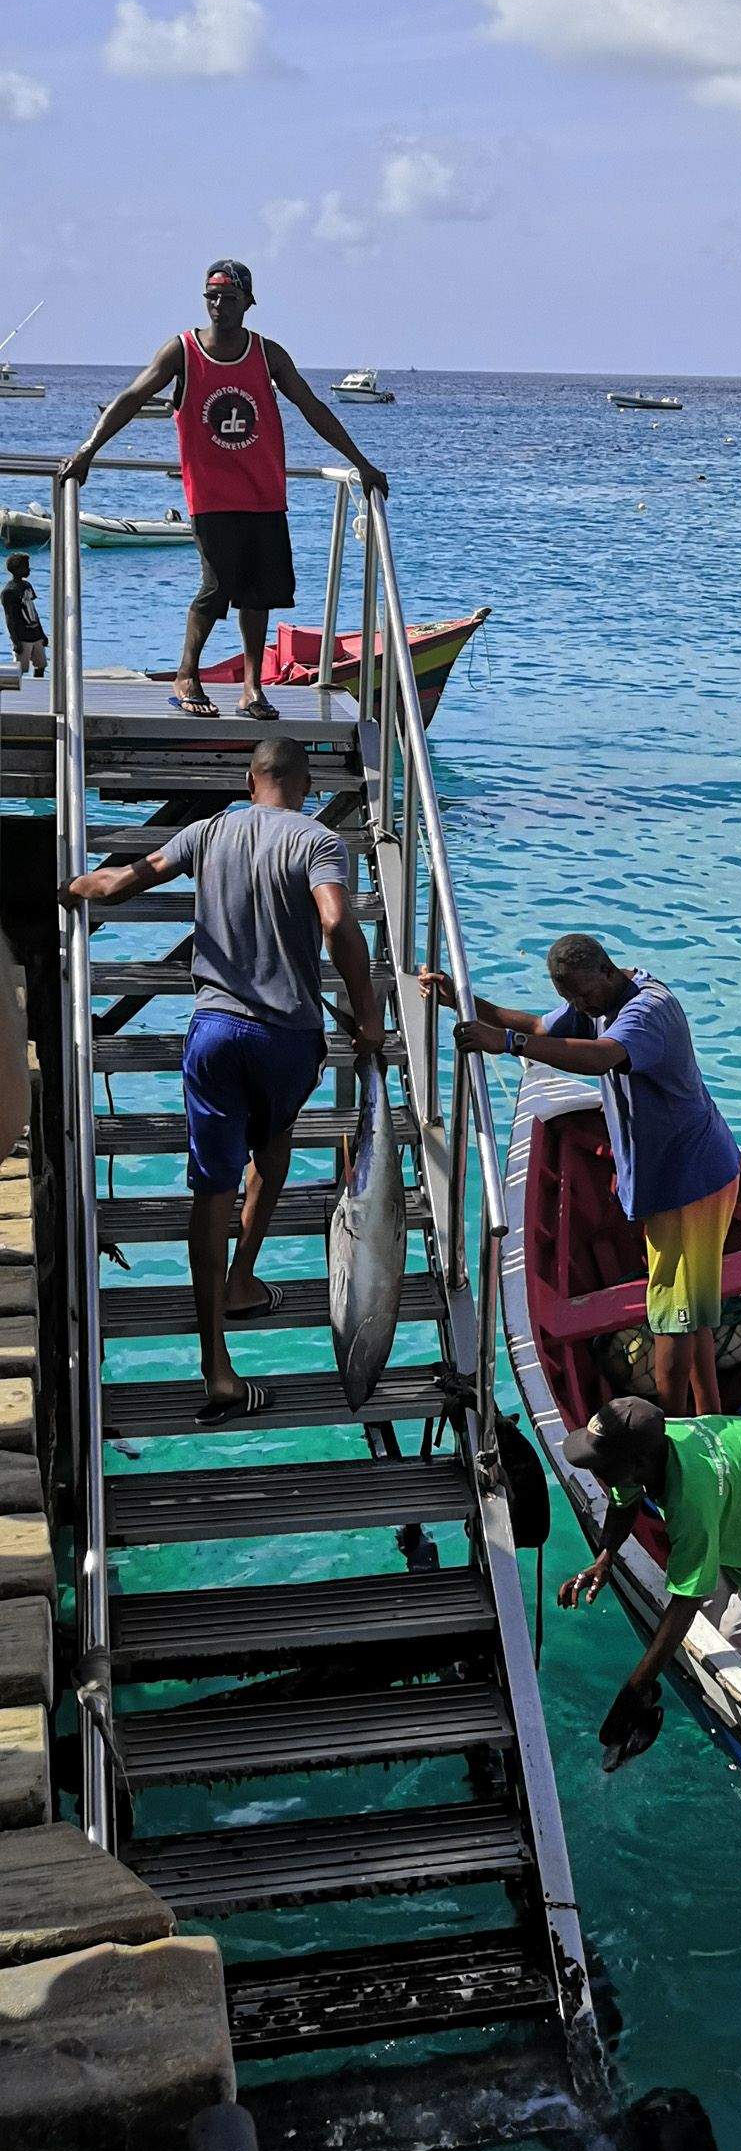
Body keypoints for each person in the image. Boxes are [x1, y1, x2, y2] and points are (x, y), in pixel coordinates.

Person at [61, 734, 383, 1414]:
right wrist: (369, 1013)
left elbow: (121, 880)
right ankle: (242, 1277)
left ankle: (216, 1365)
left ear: (249, 778)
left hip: (213, 1033)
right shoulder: (318, 841)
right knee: (274, 1146)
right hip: (286, 1038)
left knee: (210, 1191)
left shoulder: (208, 830)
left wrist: (71, 888)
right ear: (307, 785)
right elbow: (335, 922)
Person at [62, 258, 388, 724]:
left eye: (229, 298)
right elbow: (132, 398)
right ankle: (186, 675)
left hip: (264, 494)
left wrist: (363, 464)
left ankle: (252, 685)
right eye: (211, 297)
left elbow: (312, 407)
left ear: (249, 303)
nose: (218, 305)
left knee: (259, 594)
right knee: (216, 587)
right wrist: (88, 451)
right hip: (211, 497)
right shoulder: (182, 351)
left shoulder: (267, 354)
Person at [425, 933, 741, 1414]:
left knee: (672, 1316)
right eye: (568, 998)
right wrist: (463, 1002)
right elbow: (538, 1026)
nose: (577, 1005)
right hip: (676, 1180)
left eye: (582, 995)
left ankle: (673, 1432)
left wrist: (508, 1045)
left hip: (690, 1184)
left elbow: (600, 1056)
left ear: (608, 971)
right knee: (690, 1313)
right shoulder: (598, 1001)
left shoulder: (645, 1012)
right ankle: (710, 1415)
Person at [557, 1393, 741, 1716]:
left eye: (601, 1465)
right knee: (703, 1619)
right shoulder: (645, 1447)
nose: (597, 1472)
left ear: (638, 1465)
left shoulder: (691, 1505)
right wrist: (605, 1559)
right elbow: (624, 1502)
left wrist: (636, 1687)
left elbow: (686, 1599)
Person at [2, 554, 45, 677]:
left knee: (40, 665)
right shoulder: (8, 592)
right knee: (19, 670)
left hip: (35, 634)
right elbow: (9, 618)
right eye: (26, 567)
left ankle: (38, 690)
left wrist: (41, 634)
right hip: (22, 637)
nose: (29, 569)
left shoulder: (27, 586)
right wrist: (15, 640)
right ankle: (18, 694)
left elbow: (33, 611)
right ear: (16, 569)